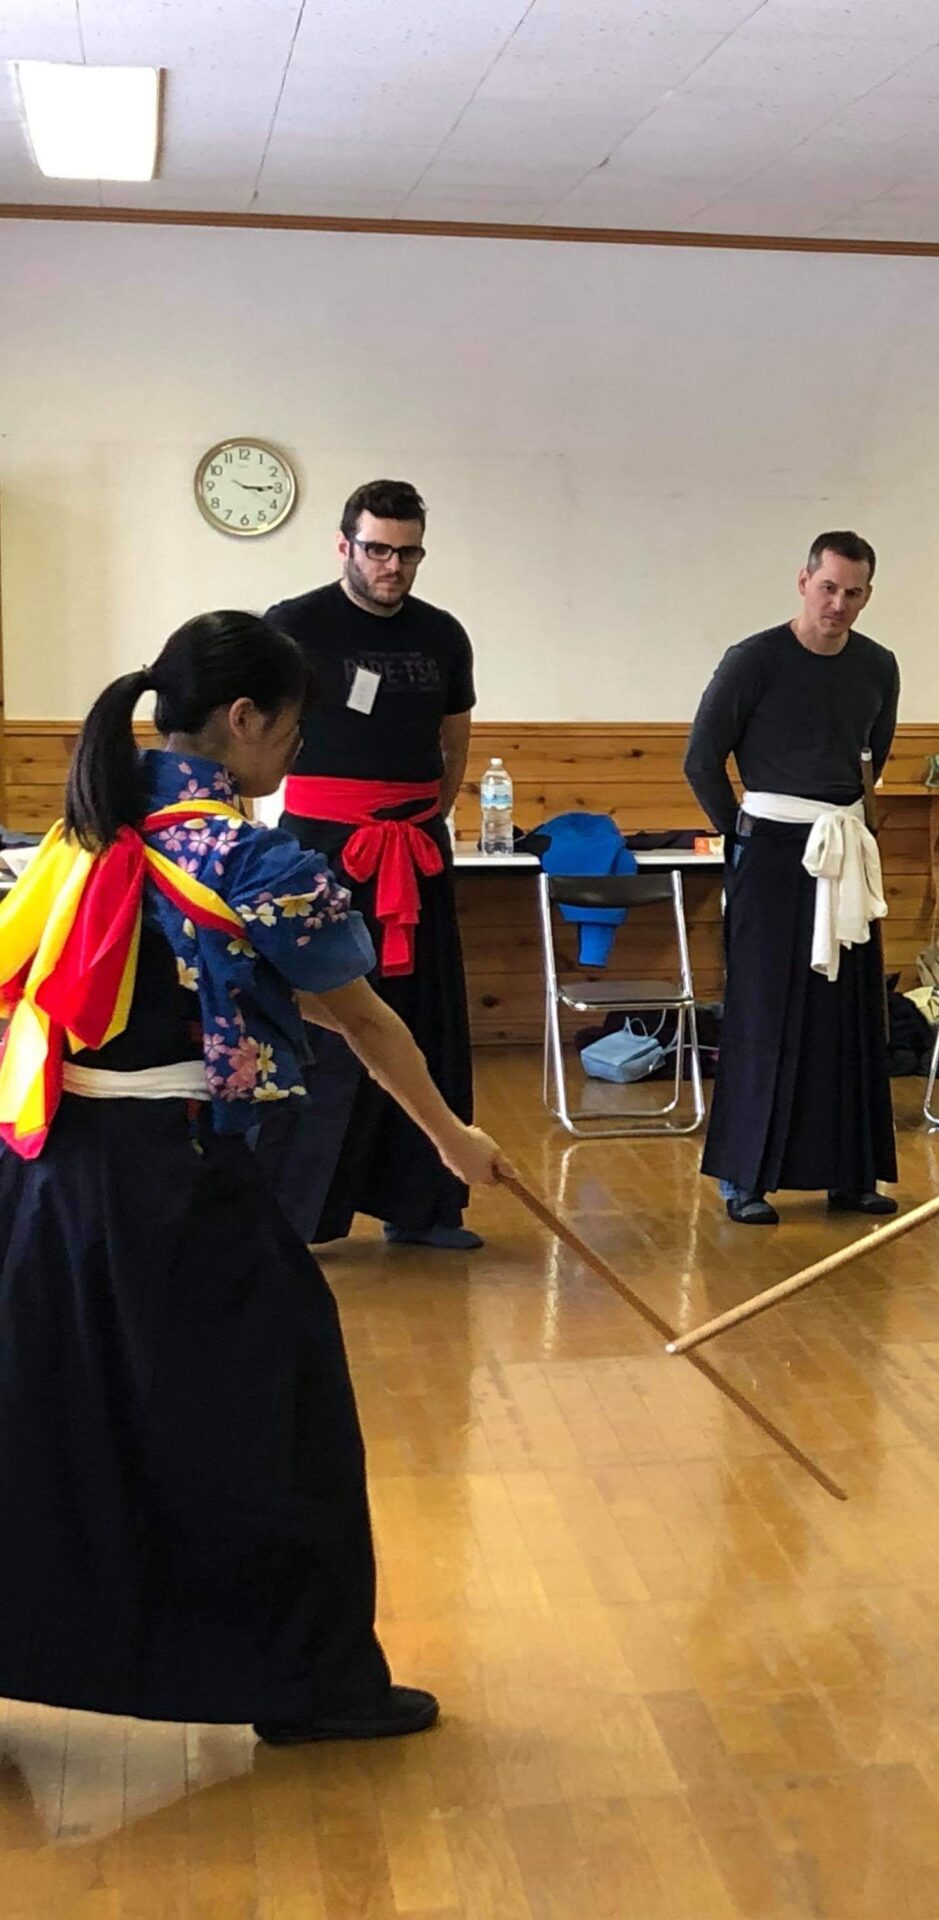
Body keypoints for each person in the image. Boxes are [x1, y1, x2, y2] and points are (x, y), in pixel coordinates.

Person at [0, 613, 507, 1744]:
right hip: (172, 1181)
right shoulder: (256, 861)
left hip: (44, 1173)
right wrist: (447, 1136)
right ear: (243, 721)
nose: (294, 755)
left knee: (41, 1415)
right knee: (276, 1421)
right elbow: (363, 1018)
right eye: (291, 729)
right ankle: (306, 1685)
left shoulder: (86, 819)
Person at [256, 480, 481, 1249]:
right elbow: (255, 729)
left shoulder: (443, 635)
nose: (393, 565)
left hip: (414, 849)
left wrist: (430, 816)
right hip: (323, 847)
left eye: (407, 552)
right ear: (344, 544)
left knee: (423, 1022)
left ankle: (422, 1205)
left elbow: (454, 741)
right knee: (329, 1021)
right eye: (378, 548)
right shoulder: (292, 627)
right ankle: (299, 1215)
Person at [685, 532, 900, 1226]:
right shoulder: (754, 660)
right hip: (771, 847)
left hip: (844, 844)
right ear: (804, 580)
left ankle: (850, 1172)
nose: (839, 604)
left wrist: (854, 830)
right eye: (829, 587)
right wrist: (741, 836)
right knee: (763, 1009)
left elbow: (873, 757)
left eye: (854, 593)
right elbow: (700, 759)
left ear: (868, 596)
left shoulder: (878, 666)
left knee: (847, 1013)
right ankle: (745, 1175)